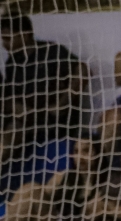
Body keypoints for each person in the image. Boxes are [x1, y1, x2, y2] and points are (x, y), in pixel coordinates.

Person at [0, 11, 89, 146]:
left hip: (54, 120)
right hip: (28, 119)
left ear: (24, 35)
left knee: (14, 128)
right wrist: (14, 106)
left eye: (7, 39)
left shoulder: (51, 51)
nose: (4, 44)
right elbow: (10, 95)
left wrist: (64, 101)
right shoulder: (12, 63)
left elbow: (82, 71)